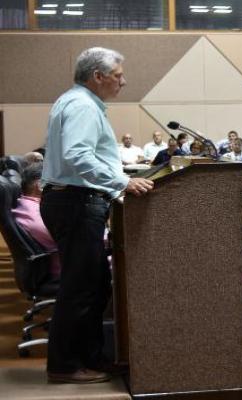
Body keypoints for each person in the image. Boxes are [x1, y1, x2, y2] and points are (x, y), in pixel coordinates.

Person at [41, 47, 153, 384]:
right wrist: (122, 181)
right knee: (79, 288)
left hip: (75, 200)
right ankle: (64, 366)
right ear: (98, 76)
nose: (124, 81)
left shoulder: (77, 102)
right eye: (118, 75)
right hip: (75, 202)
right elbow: (77, 156)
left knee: (95, 284)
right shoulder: (82, 106)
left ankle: (92, 357)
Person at [12, 164, 61, 278]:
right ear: (40, 185)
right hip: (70, 269)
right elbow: (70, 240)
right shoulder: (33, 213)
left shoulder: (33, 205)